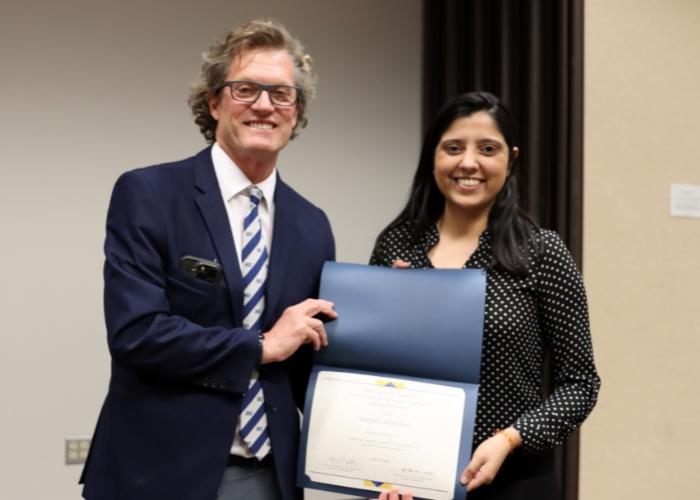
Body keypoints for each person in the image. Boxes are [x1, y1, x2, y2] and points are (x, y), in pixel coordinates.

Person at [79, 19, 337, 500]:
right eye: (246, 89)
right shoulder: (150, 193)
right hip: (158, 472)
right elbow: (137, 333)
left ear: (296, 112)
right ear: (215, 102)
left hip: (270, 478)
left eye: (281, 94)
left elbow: (310, 359)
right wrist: (258, 346)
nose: (264, 105)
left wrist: (392, 308)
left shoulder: (313, 225)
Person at [369, 91, 600, 499]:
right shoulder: (396, 246)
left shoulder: (541, 252)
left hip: (515, 480)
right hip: (411, 481)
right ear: (433, 156)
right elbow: (373, 368)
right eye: (453, 148)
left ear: (511, 159)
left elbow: (580, 384)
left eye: (487, 149)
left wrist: (510, 438)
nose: (468, 163)